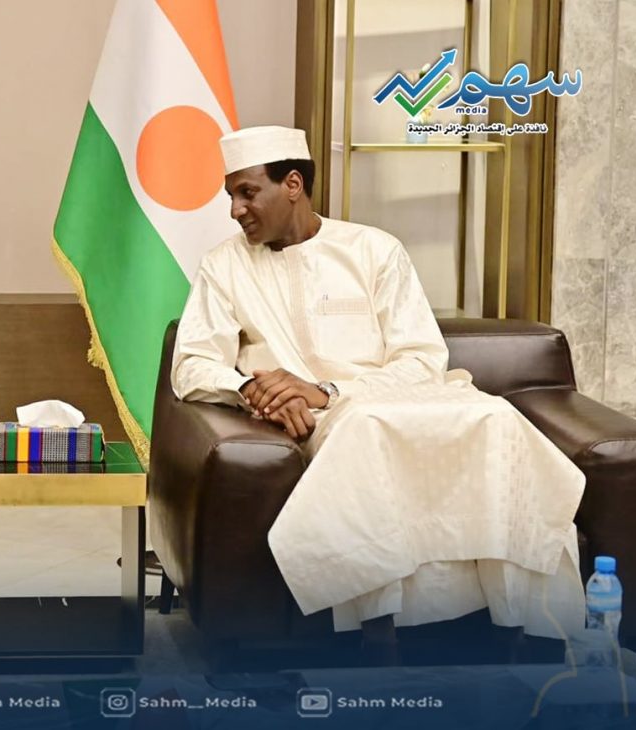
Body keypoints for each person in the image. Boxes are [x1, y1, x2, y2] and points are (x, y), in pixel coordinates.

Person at [171, 125, 585, 662]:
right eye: (231, 196)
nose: (235, 210)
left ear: (292, 184)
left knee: (497, 418)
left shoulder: (373, 250)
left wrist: (327, 389)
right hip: (338, 423)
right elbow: (192, 364)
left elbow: (423, 359)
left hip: (403, 399)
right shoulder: (224, 265)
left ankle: (525, 623)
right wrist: (253, 388)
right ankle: (378, 627)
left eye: (247, 192)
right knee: (364, 426)